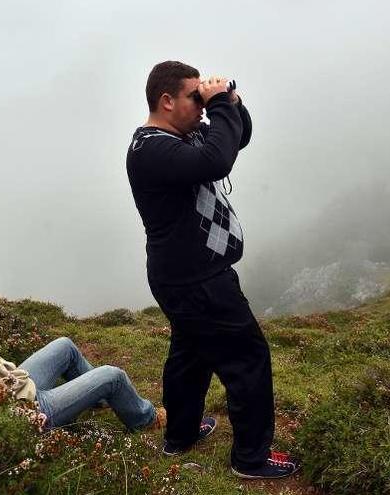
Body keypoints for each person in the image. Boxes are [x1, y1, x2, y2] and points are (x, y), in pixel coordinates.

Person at [125, 61, 299, 479]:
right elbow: (218, 160)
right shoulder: (152, 149)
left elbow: (238, 137)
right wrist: (219, 102)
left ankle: (181, 435)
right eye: (194, 98)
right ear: (166, 101)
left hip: (183, 276)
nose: (202, 108)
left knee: (191, 353)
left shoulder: (182, 137)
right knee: (247, 358)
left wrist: (231, 101)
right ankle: (252, 458)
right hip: (197, 280)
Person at [0, 280, 163, 431]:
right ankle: (146, 420)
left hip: (14, 384)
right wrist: (29, 421)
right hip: (31, 410)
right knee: (113, 375)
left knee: (64, 346)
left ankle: (97, 400)